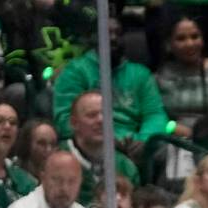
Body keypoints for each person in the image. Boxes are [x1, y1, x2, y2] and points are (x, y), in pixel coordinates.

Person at [52, 14, 180, 146]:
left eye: (118, 33)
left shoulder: (141, 74)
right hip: (89, 144)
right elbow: (65, 121)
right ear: (93, 38)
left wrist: (142, 141)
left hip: (134, 145)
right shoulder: (75, 71)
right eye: (106, 33)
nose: (113, 38)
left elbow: (155, 115)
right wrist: (107, 139)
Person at [60, 90, 141, 208]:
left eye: (105, 114)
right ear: (74, 123)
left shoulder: (126, 167)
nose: (101, 120)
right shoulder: (57, 161)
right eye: (92, 115)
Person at [155, 15, 208, 135]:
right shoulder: (160, 76)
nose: (190, 44)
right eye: (181, 38)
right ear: (169, 43)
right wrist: (173, 128)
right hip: (173, 139)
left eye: (195, 37)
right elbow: (153, 117)